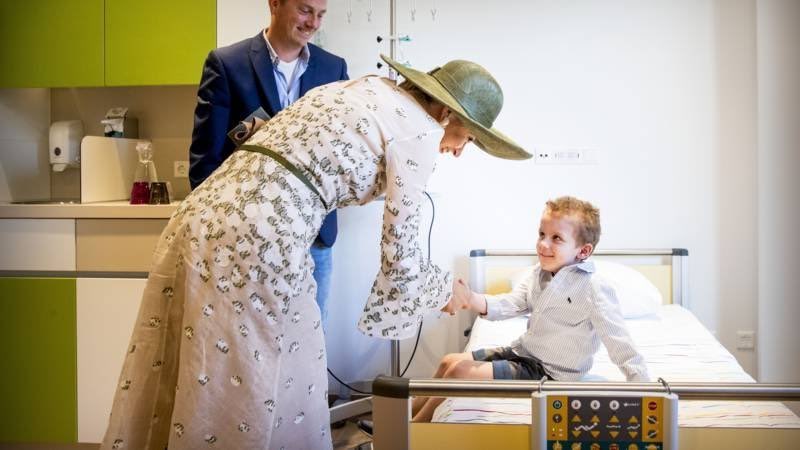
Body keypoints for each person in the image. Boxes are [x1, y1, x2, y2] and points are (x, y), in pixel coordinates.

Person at [101, 55, 530, 449]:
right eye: (467, 139)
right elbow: (401, 257)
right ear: (447, 113)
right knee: (268, 375)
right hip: (259, 237)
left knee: (191, 355)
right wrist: (445, 291)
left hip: (201, 213)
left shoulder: (362, 89)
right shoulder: (420, 129)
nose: (456, 150)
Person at [415, 196, 650, 422]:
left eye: (556, 238)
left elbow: (620, 342)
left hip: (549, 373)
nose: (543, 244)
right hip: (523, 353)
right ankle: (402, 412)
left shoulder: (594, 288)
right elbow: (511, 303)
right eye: (542, 234)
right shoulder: (538, 273)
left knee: (460, 371)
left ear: (583, 251)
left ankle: (414, 430)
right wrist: (471, 298)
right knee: (448, 361)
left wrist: (645, 391)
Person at [189, 0, 348, 326]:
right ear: (274, 3)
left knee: (311, 344)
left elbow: (341, 154)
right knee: (249, 347)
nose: (313, 23)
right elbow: (205, 163)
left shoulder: (334, 69)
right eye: (305, 10)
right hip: (248, 240)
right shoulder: (227, 64)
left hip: (314, 239)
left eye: (321, 14)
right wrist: (224, 235)